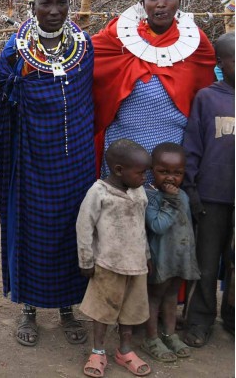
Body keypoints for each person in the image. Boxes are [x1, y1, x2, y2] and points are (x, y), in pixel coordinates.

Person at [0, 0, 95, 347]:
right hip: (32, 158)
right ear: (32, 7)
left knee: (72, 228)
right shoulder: (15, 51)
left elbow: (85, 101)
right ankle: (29, 309)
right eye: (45, 4)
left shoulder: (84, 46)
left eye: (61, 3)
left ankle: (68, 307)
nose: (54, 11)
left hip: (75, 158)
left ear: (69, 5)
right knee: (32, 229)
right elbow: (0, 103)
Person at [92, 0, 216, 178]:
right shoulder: (118, 36)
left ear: (180, 1)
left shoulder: (194, 41)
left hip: (172, 150)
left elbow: (203, 90)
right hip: (124, 146)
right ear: (143, 3)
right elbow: (89, 57)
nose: (161, 4)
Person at [76, 139, 152, 378]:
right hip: (108, 265)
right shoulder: (98, 193)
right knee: (103, 312)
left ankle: (125, 351)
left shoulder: (139, 192)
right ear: (119, 170)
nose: (145, 178)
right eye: (140, 173)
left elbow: (141, 227)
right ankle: (98, 351)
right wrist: (86, 260)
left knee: (130, 312)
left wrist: (147, 255)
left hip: (136, 266)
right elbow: (84, 227)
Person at [182, 31, 235, 347]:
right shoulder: (207, 97)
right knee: (206, 259)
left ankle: (231, 315)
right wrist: (191, 188)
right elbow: (192, 146)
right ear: (220, 63)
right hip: (212, 197)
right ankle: (200, 320)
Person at [142, 142, 199, 363]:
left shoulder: (183, 196)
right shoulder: (149, 197)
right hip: (160, 259)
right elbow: (157, 226)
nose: (170, 178)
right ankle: (151, 337)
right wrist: (171, 201)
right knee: (155, 296)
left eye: (177, 173)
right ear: (152, 170)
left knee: (172, 296)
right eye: (163, 171)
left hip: (179, 258)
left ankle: (169, 334)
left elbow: (185, 227)